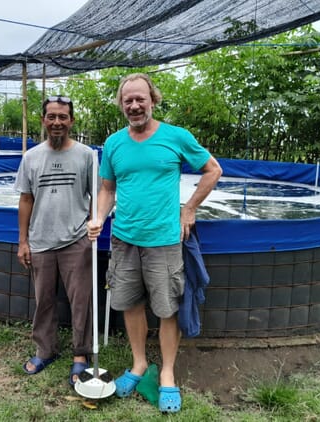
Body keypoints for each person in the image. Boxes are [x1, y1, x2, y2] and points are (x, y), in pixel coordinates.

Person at [87, 73, 222, 413]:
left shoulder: (176, 137)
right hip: (124, 239)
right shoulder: (115, 143)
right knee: (130, 304)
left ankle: (167, 374)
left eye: (140, 99)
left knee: (166, 310)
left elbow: (212, 170)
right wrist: (99, 217)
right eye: (127, 100)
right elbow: (107, 189)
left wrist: (189, 210)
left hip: (164, 240)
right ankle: (138, 364)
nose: (134, 105)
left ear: (152, 100)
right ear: (121, 105)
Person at [15, 95, 93, 387]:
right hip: (41, 241)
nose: (57, 122)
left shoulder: (86, 155)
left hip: (76, 240)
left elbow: (98, 198)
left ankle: (80, 355)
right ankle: (45, 350)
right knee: (44, 300)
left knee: (80, 301)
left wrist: (91, 228)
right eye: (52, 117)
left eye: (63, 117)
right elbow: (25, 199)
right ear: (43, 120)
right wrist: (23, 241)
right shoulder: (31, 157)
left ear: (71, 121)